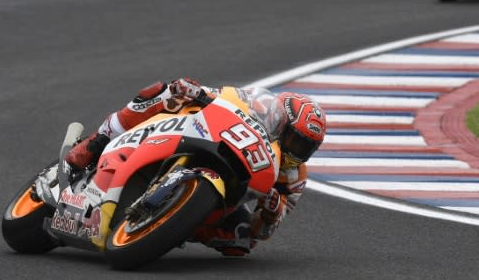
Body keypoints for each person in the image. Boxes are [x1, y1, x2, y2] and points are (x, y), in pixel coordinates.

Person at [64, 77, 327, 257]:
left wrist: (272, 211)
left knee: (242, 241)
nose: (296, 150)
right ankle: (94, 143)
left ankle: (178, 224)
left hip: (229, 191)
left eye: (305, 148)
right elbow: (224, 96)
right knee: (163, 91)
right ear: (280, 122)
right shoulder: (259, 106)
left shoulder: (294, 178)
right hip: (204, 135)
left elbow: (264, 233)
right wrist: (196, 91)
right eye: (294, 139)